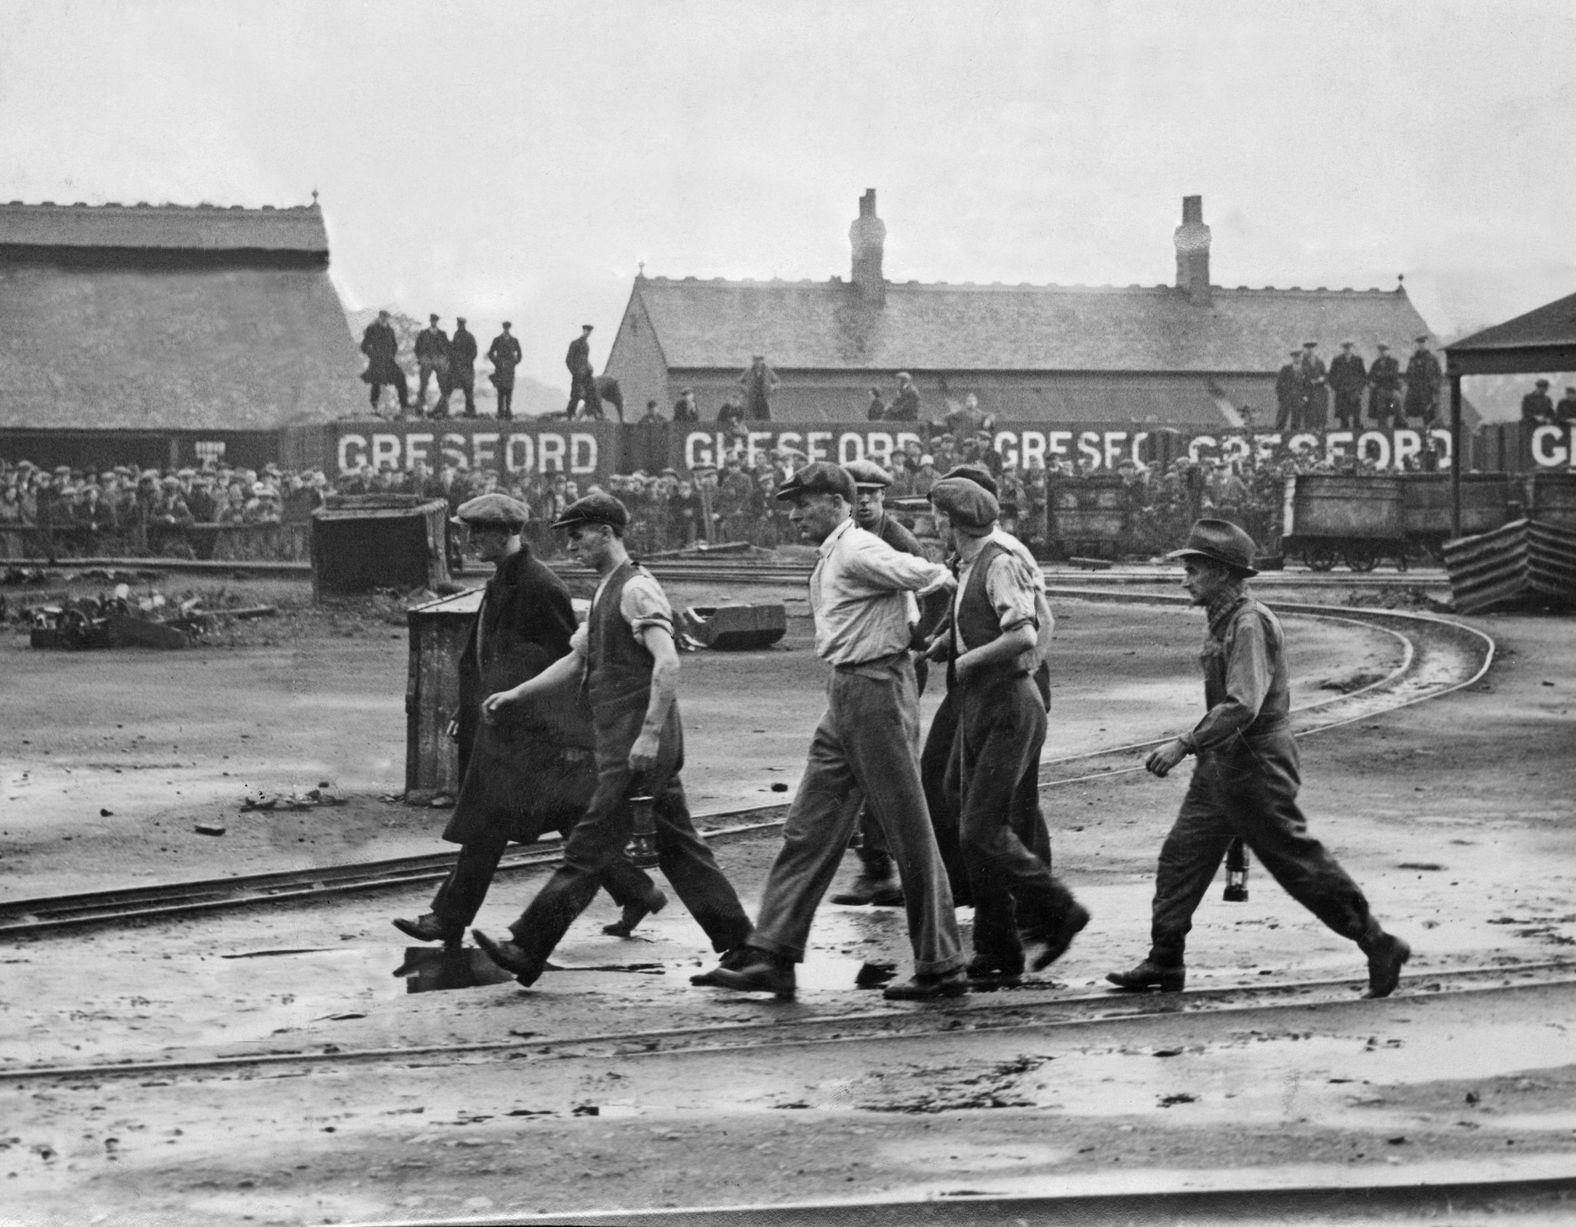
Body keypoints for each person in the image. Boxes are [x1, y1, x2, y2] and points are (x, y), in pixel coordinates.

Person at [692, 462, 967, 1002]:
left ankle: (941, 964)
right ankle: (773, 952)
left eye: (803, 503)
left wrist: (919, 638)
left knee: (908, 828)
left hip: (876, 691)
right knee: (809, 825)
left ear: (836, 504)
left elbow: (939, 578)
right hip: (845, 693)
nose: (794, 515)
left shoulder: (859, 549)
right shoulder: (837, 553)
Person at [1106, 519, 1411, 998]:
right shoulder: (1226, 618)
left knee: (1298, 865)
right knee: (1181, 859)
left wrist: (1184, 743)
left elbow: (1243, 703)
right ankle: (1165, 959)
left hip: (1256, 767)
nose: (1184, 578)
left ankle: (1377, 942)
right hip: (1224, 764)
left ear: (1224, 574)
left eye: (1194, 569)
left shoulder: (1248, 623)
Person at [469, 493, 753, 987]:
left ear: (606, 532)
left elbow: (668, 662)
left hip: (639, 746)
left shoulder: (636, 590)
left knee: (588, 846)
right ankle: (745, 946)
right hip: (626, 742)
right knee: (681, 849)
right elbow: (577, 659)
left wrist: (647, 735)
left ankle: (528, 946)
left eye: (577, 534)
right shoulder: (606, 591)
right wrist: (516, 693)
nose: (571, 544)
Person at [393, 493, 664, 946]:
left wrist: (554, 731)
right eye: (468, 530)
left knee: (488, 825)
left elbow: (567, 661)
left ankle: (448, 920)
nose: (470, 540)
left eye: (478, 531)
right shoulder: (504, 579)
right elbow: (481, 654)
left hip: (534, 734)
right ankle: (638, 890)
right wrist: (470, 708)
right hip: (508, 726)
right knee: (567, 819)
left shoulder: (540, 587)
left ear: (505, 533)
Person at [928, 476, 1088, 985]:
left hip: (1010, 706)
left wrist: (966, 660)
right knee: (969, 822)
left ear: (948, 521)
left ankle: (1060, 910)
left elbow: (1023, 633)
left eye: (934, 515)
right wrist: (944, 643)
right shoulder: (971, 562)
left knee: (981, 828)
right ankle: (995, 949)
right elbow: (978, 617)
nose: (929, 523)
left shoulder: (999, 561)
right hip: (982, 704)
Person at [825, 458, 938, 908]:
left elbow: (934, 594)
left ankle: (883, 870)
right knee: (872, 767)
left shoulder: (897, 541)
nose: (867, 501)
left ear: (883, 497)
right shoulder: (849, 538)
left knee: (884, 769)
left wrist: (919, 644)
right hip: (864, 662)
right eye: (859, 495)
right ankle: (879, 867)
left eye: (874, 494)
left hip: (894, 663)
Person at [359, 310, 410, 415]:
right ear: (379, 317)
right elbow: (364, 346)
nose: (384, 319)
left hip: (388, 362)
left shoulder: (390, 330)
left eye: (386, 317)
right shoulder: (372, 329)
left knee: (401, 377)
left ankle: (404, 406)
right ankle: (373, 407)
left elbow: (394, 345)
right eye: (382, 316)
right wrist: (373, 354)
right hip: (376, 362)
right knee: (376, 383)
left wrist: (391, 355)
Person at [437, 317, 478, 418]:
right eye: (459, 324)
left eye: (461, 324)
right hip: (455, 368)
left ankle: (470, 411)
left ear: (464, 325)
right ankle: (442, 410)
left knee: (468, 390)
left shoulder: (469, 337)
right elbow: (452, 349)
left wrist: (465, 362)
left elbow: (473, 353)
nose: (459, 326)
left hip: (466, 369)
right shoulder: (456, 335)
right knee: (448, 388)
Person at [414, 314, 451, 415]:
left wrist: (445, 360)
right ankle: (420, 407)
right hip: (427, 360)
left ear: (437, 322)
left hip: (438, 360)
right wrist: (421, 358)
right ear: (430, 321)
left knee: (443, 383)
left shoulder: (442, 334)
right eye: (432, 320)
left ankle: (444, 407)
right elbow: (417, 348)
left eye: (435, 321)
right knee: (423, 383)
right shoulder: (423, 334)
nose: (433, 322)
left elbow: (448, 348)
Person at [1328, 341, 1367, 431]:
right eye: (1345, 348)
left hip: (1355, 393)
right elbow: (1331, 377)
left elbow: (1363, 377)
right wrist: (1338, 388)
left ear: (1352, 348)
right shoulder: (1337, 360)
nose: (1347, 350)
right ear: (1343, 349)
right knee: (1344, 419)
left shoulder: (1358, 360)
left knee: (1356, 418)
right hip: (1342, 394)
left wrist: (1359, 390)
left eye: (1349, 348)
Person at [487, 322, 522, 420]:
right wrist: (497, 362)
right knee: (500, 390)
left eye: (508, 328)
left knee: (509, 390)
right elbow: (490, 353)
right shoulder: (497, 340)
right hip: (500, 369)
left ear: (509, 329)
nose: (506, 330)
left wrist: (513, 363)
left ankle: (508, 410)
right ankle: (500, 411)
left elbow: (519, 355)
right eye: (505, 328)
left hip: (509, 370)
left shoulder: (514, 341)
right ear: (503, 328)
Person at [565, 324, 601, 419]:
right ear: (583, 331)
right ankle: (569, 415)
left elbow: (584, 359)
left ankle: (592, 414)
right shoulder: (575, 343)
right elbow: (568, 360)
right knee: (575, 395)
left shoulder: (586, 345)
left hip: (586, 374)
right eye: (586, 331)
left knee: (592, 393)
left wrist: (589, 367)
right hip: (578, 374)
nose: (587, 333)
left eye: (589, 332)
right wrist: (574, 372)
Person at [1404, 336, 1441, 426]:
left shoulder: (1433, 359)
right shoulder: (1413, 360)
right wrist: (1411, 384)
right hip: (1415, 391)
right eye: (1419, 343)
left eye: (1423, 343)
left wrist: (1433, 386)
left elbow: (1438, 375)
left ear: (1427, 344)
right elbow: (1408, 374)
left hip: (1429, 390)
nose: (1421, 345)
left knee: (1430, 414)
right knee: (1410, 412)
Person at [1368, 343, 1402, 428]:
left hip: (1391, 391)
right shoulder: (1375, 364)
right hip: (1379, 394)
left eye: (1384, 351)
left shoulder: (1394, 362)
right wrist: (1371, 383)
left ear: (1388, 351)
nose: (1382, 353)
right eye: (1380, 351)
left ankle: (1399, 425)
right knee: (1381, 412)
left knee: (1396, 406)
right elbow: (1370, 377)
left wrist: (1379, 376)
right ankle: (1383, 428)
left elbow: (1392, 375)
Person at [737, 355, 779, 421]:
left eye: (760, 360)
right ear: (753, 361)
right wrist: (745, 388)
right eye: (756, 360)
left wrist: (773, 386)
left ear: (762, 361)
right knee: (752, 416)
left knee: (766, 417)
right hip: (752, 397)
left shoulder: (768, 371)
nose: (758, 362)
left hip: (764, 397)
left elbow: (777, 382)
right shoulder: (749, 371)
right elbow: (739, 382)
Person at [1297, 341, 1327, 431]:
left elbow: (1324, 375)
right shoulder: (1301, 363)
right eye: (1307, 348)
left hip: (1319, 392)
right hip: (1307, 393)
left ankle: (1320, 430)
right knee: (1308, 416)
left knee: (1320, 414)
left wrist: (1321, 379)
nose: (1310, 350)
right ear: (1304, 349)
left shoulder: (1320, 361)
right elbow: (1300, 379)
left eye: (1311, 348)